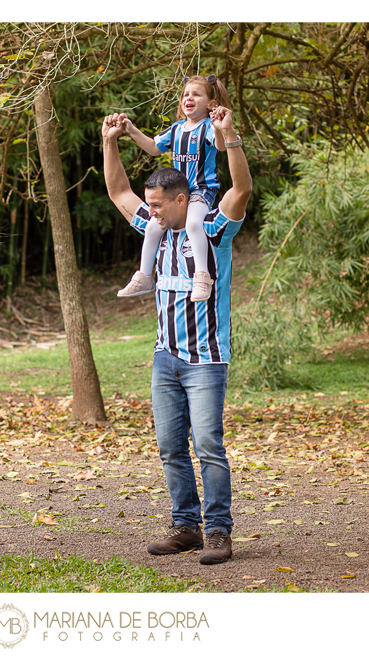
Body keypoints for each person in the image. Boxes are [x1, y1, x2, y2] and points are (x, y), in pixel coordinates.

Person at [102, 105, 252, 565]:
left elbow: (241, 189)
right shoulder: (155, 229)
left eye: (159, 205)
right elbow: (118, 191)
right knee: (170, 447)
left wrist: (229, 137)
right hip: (165, 357)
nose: (151, 212)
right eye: (150, 206)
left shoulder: (212, 231)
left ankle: (219, 531)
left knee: (208, 445)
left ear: (182, 200)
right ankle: (185, 526)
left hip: (206, 358)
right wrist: (110, 141)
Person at [116, 74, 232, 303]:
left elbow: (220, 145)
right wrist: (130, 129)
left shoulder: (208, 128)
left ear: (210, 103)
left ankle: (202, 275)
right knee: (152, 228)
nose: (189, 98)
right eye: (185, 94)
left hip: (200, 191)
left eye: (196, 94)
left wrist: (220, 126)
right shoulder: (176, 129)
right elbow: (152, 147)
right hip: (177, 194)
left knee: (193, 223)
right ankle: (144, 276)